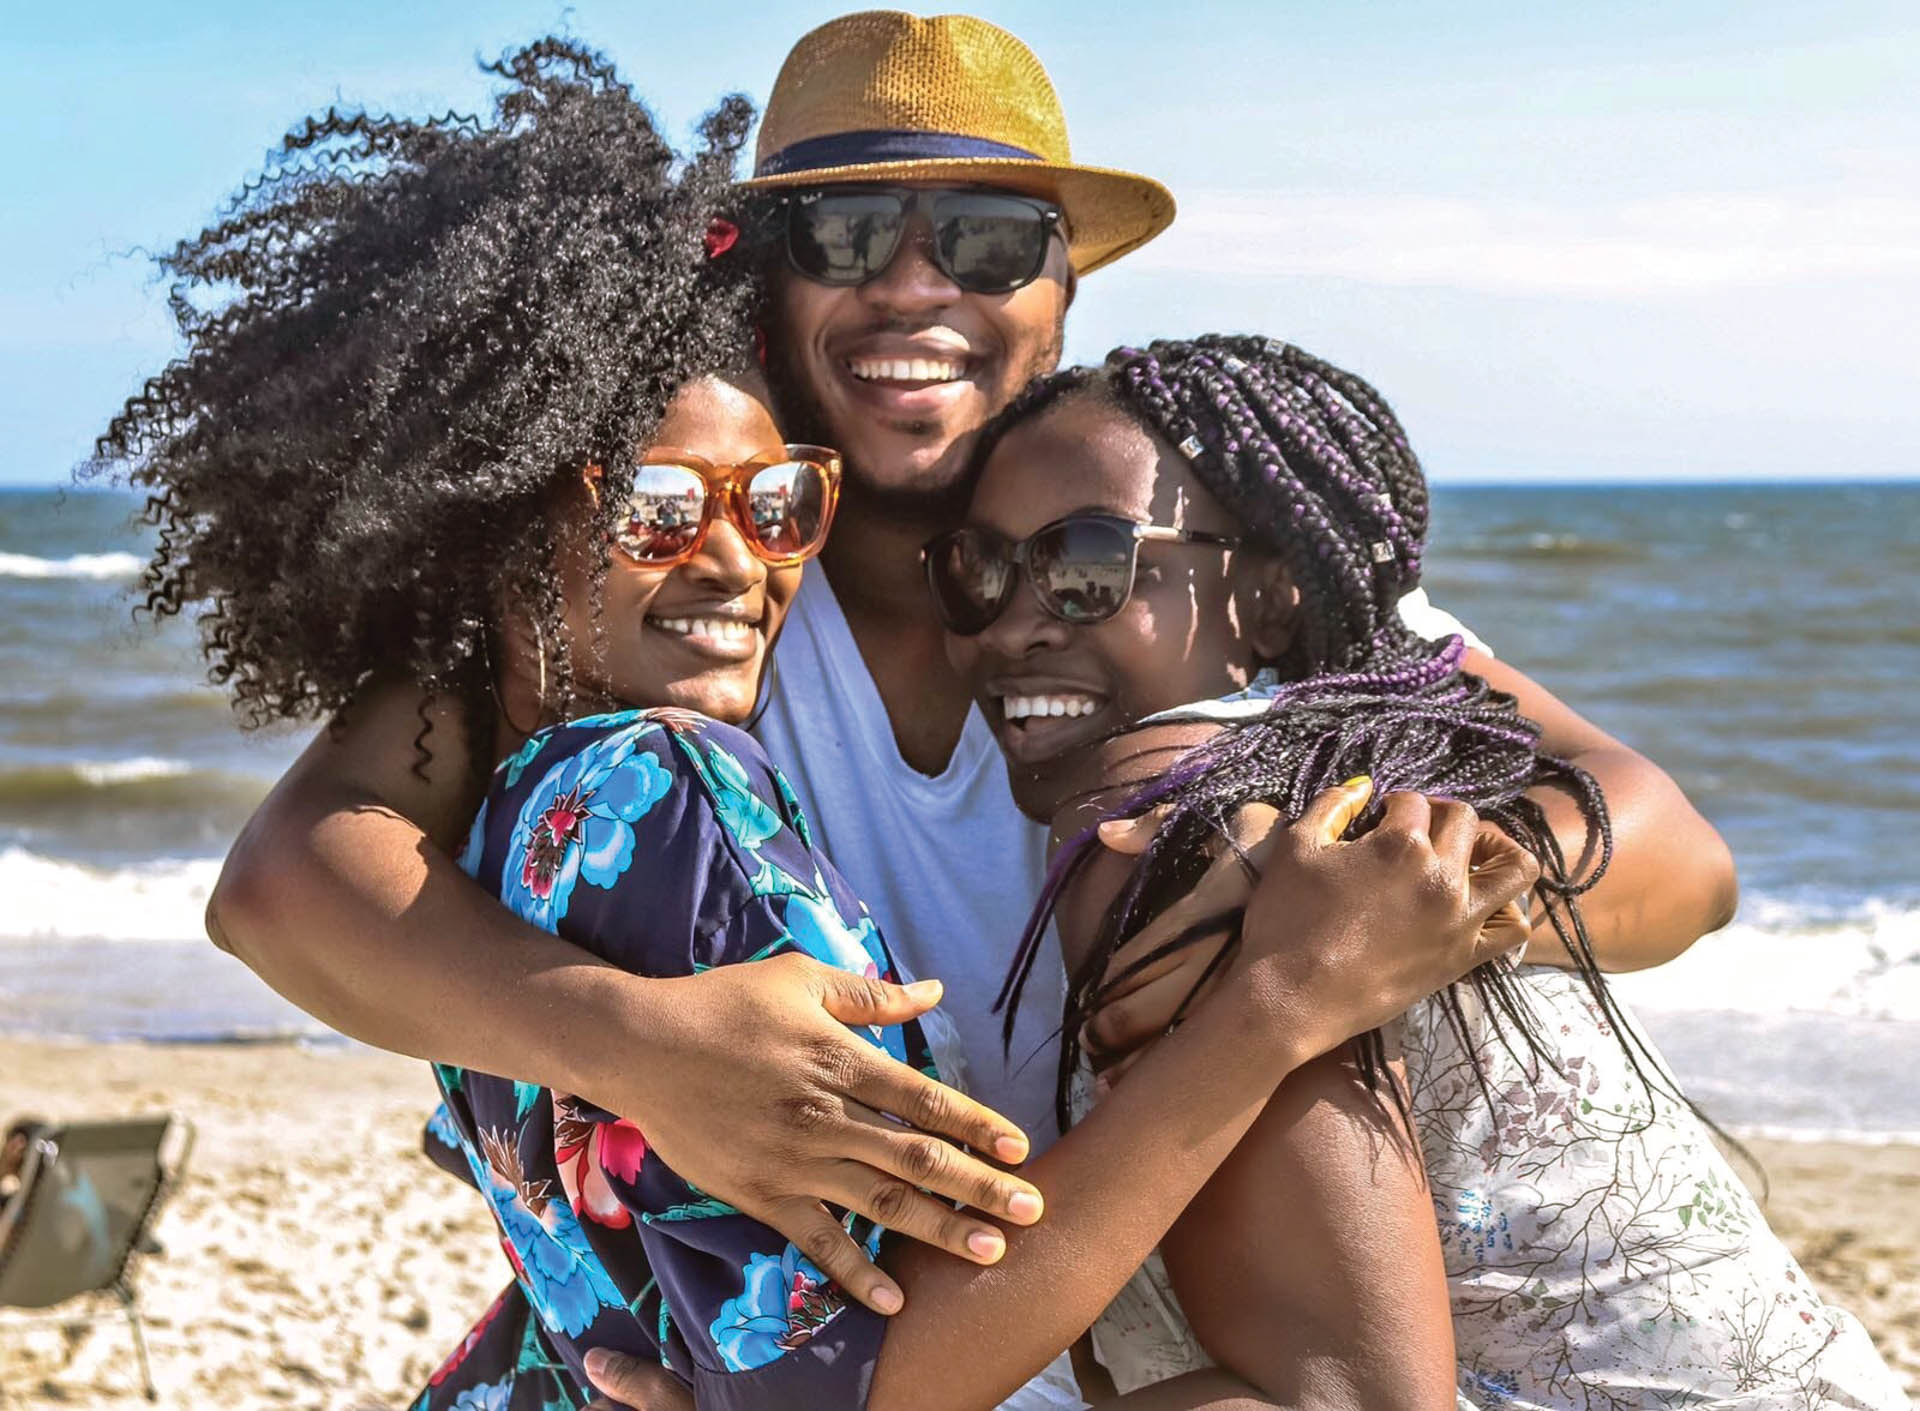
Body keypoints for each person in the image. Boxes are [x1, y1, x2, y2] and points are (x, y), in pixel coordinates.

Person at [188, 11, 1735, 1402]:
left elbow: (1670, 854)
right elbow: (292, 880)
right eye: (849, 231)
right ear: (759, 278)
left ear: (1063, 293)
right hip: (965, 1334)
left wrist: (1356, 898)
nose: (916, 284)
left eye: (991, 239)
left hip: (1163, 1320)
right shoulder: (682, 594)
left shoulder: (1166, 572)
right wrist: (650, 1048)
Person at [932, 335, 1903, 1409]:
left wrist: (1431, 891)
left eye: (1086, 568)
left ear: (1272, 595)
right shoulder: (1382, 745)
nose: (1013, 624)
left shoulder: (1180, 836)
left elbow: (1346, 1399)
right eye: (976, 572)